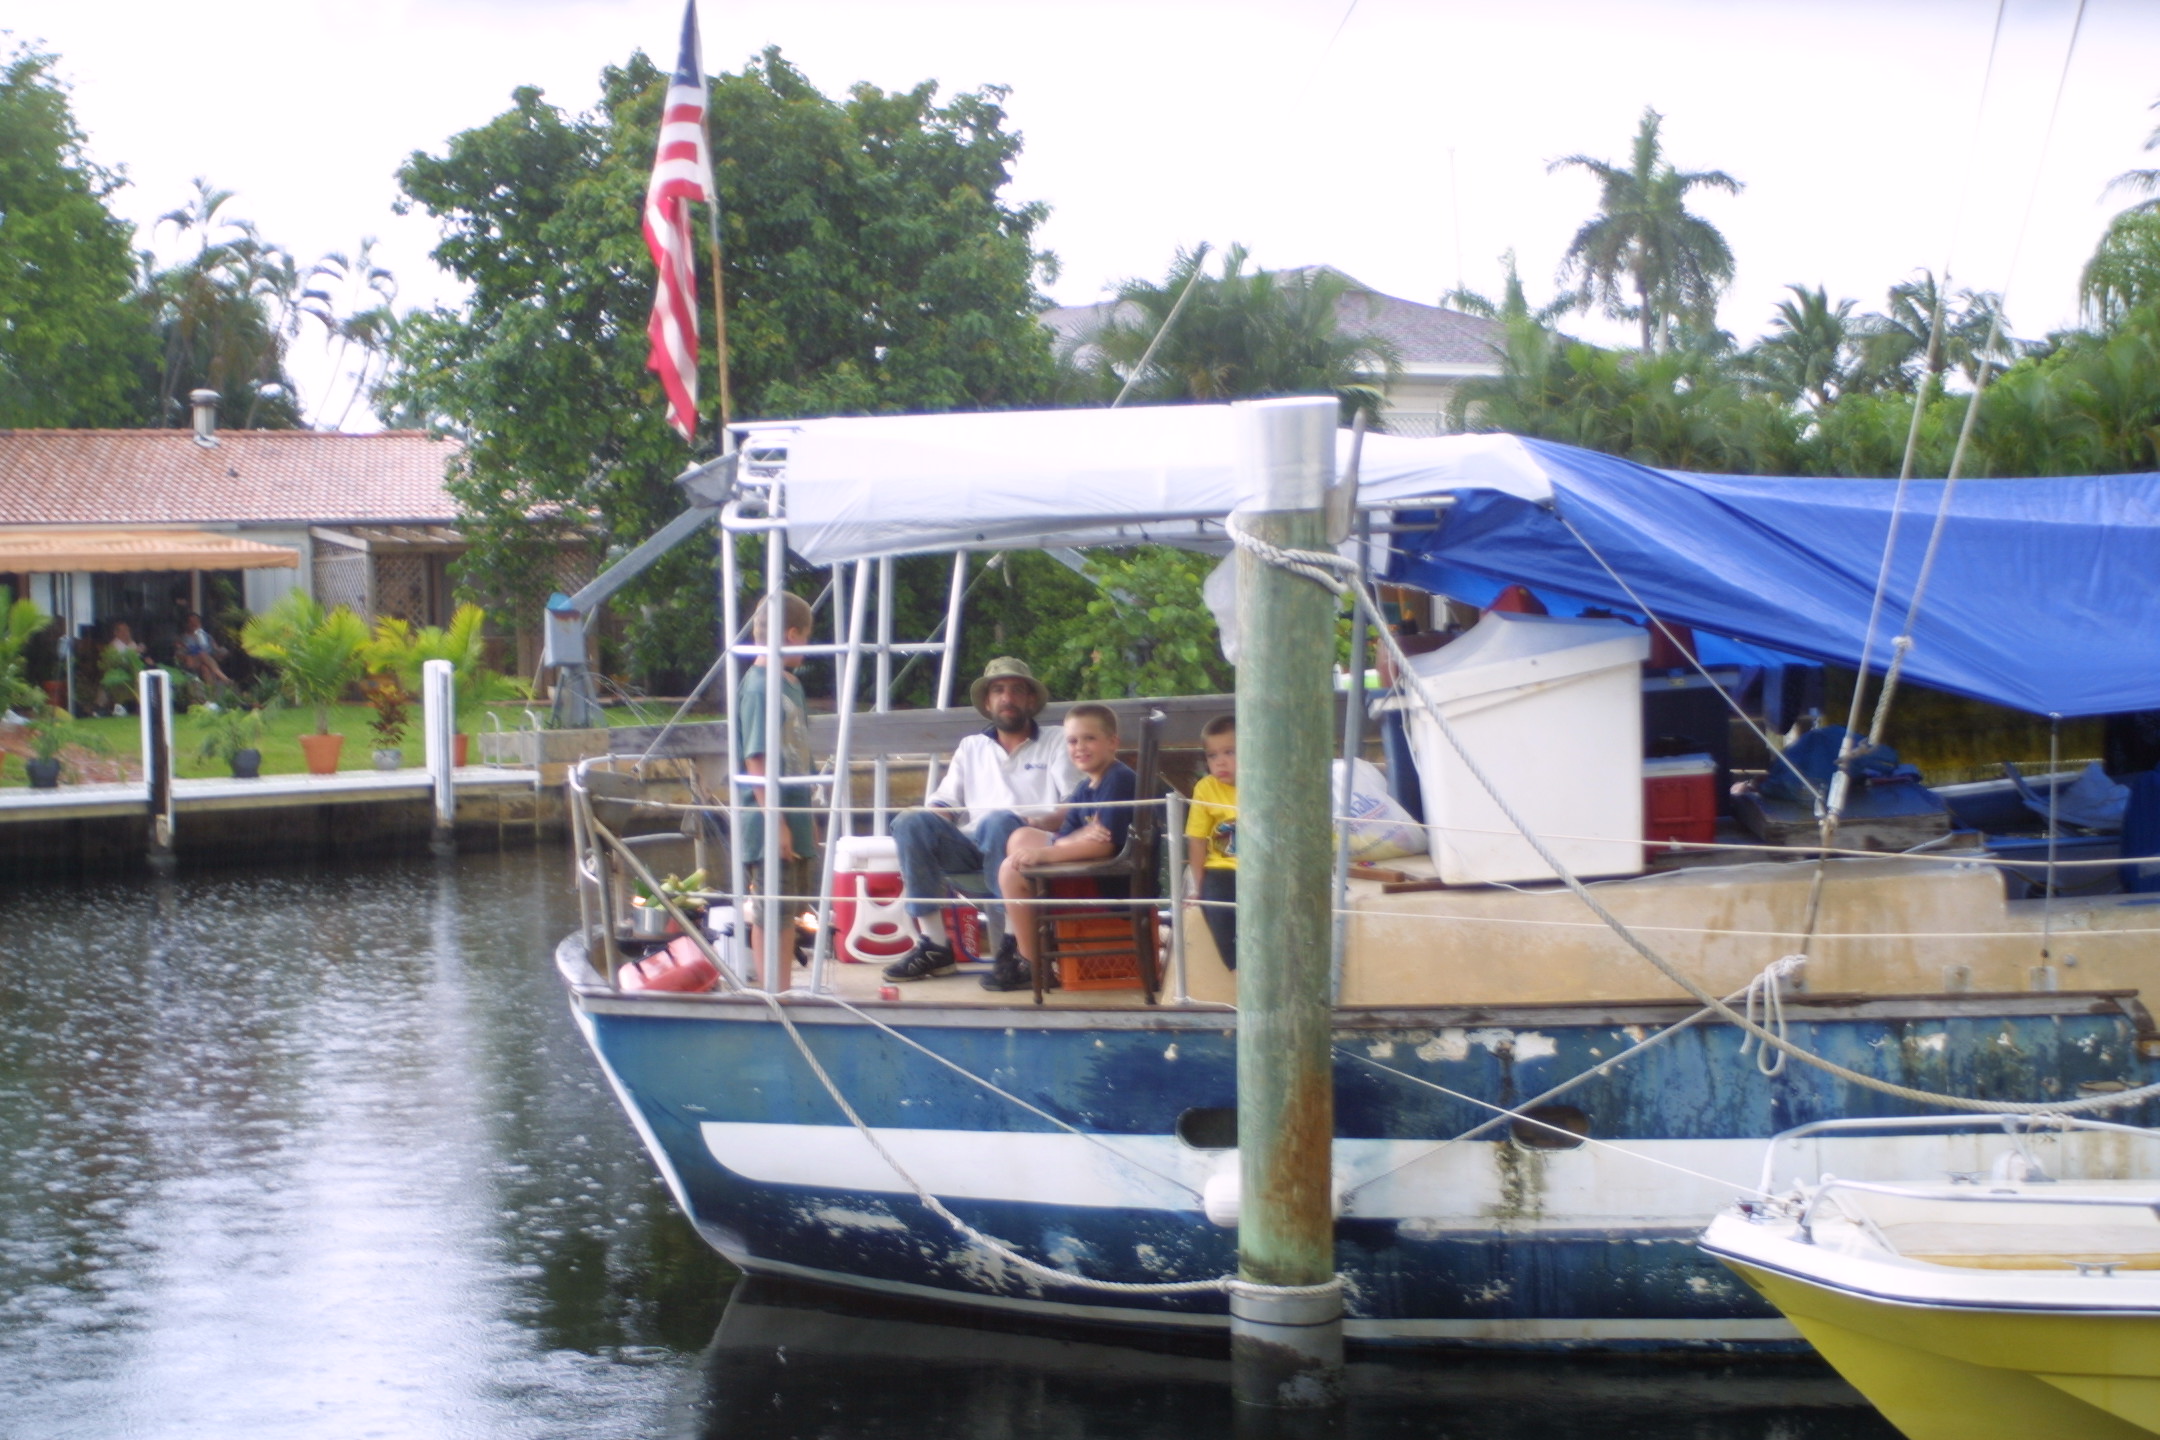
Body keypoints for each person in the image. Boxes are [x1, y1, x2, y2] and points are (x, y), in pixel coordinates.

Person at [883, 656, 1080, 981]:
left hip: (1031, 845)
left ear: (1031, 700)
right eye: (998, 690)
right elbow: (944, 802)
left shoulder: (1057, 739)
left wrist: (1034, 823)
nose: (1007, 698)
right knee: (910, 821)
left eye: (1017, 690)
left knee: (1000, 821)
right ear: (987, 702)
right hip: (972, 846)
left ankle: (1015, 947)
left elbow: (1075, 804)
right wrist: (929, 826)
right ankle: (935, 946)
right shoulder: (971, 746)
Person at [984, 703, 1136, 993]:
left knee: (1011, 871)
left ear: (1112, 742)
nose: (1080, 747)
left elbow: (1105, 848)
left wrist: (1045, 854)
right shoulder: (1085, 787)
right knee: (1020, 837)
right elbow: (1064, 837)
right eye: (1072, 741)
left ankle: (1032, 964)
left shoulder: (1118, 780)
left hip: (1107, 883)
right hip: (1089, 871)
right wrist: (1078, 838)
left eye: (1089, 738)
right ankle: (1032, 947)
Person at [737, 593, 817, 966]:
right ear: (792, 634)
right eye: (807, 638)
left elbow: (798, 754)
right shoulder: (759, 687)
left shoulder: (791, 685)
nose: (808, 647)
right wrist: (776, 821)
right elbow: (756, 757)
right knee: (772, 910)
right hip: (769, 820)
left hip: (796, 815)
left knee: (791, 909)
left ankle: (781, 987)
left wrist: (807, 817)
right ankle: (775, 990)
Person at [1184, 713, 1240, 971]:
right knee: (1216, 907)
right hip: (1222, 868)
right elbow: (1196, 840)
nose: (1220, 762)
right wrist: (1198, 887)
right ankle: (1238, 968)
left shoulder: (1268, 783)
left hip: (1265, 869)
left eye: (1230, 752)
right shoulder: (1205, 788)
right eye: (1212, 755)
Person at [177, 612, 230, 686]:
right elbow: (179, 654)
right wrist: (185, 656)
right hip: (192, 662)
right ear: (187, 624)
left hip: (207, 663)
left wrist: (221, 651)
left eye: (196, 622)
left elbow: (215, 650)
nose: (194, 624)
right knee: (202, 654)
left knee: (205, 668)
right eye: (191, 622)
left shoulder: (207, 637)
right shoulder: (182, 639)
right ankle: (223, 678)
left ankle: (211, 690)